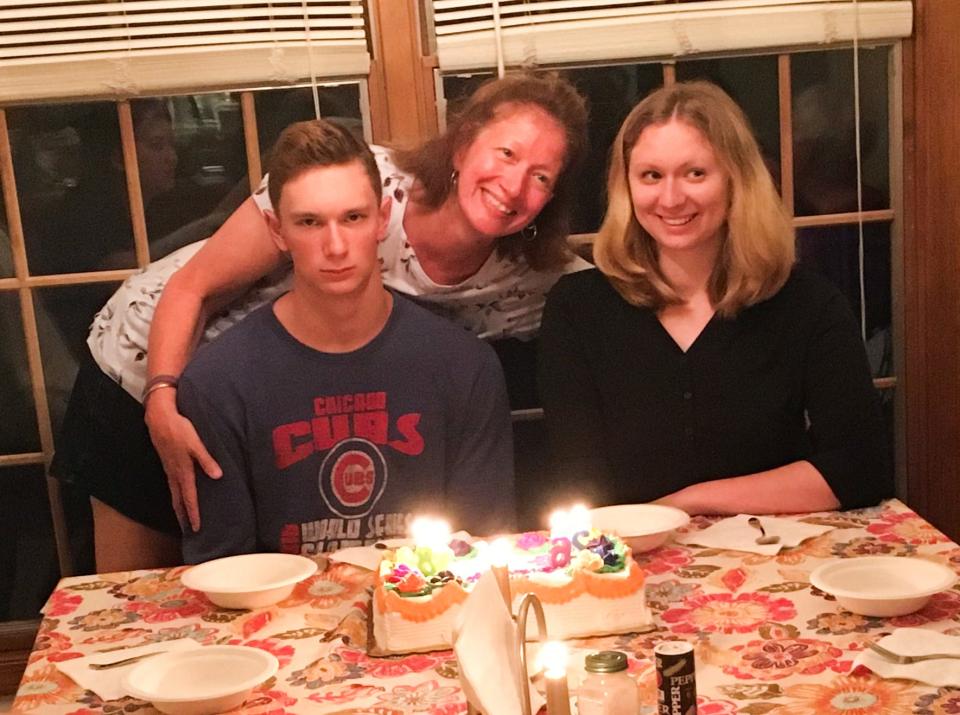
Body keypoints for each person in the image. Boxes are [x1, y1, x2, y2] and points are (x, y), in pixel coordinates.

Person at [56, 72, 588, 571]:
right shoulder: (358, 184)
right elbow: (193, 287)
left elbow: (621, 287)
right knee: (138, 599)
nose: (515, 185)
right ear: (463, 141)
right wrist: (162, 400)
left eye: (540, 175)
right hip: (147, 362)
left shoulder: (531, 277)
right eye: (506, 152)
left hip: (261, 399)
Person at [537, 81, 890, 515]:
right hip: (627, 564)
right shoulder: (577, 309)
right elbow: (577, 481)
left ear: (737, 179)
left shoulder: (808, 304)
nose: (670, 198)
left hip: (779, 559)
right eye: (651, 175)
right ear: (625, 187)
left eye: (695, 173)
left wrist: (690, 502)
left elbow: (861, 468)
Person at [179, 120, 514, 562]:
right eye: (309, 222)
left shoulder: (465, 367)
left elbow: (485, 552)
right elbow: (224, 574)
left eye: (352, 218)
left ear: (382, 218)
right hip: (279, 623)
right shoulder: (217, 383)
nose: (335, 246)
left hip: (430, 615)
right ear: (277, 231)